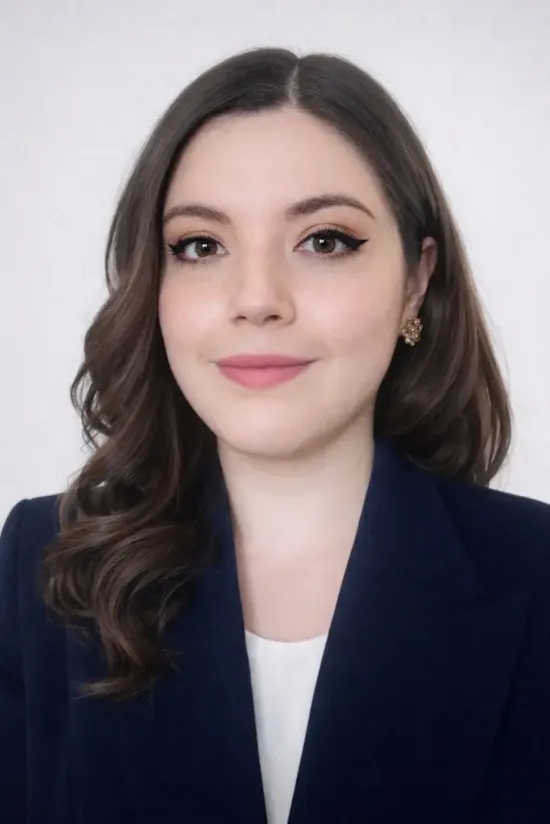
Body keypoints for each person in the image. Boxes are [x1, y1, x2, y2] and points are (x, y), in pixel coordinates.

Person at [1, 46, 550, 824]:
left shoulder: (538, 572)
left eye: (325, 240)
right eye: (200, 245)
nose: (257, 299)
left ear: (417, 280)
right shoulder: (41, 566)